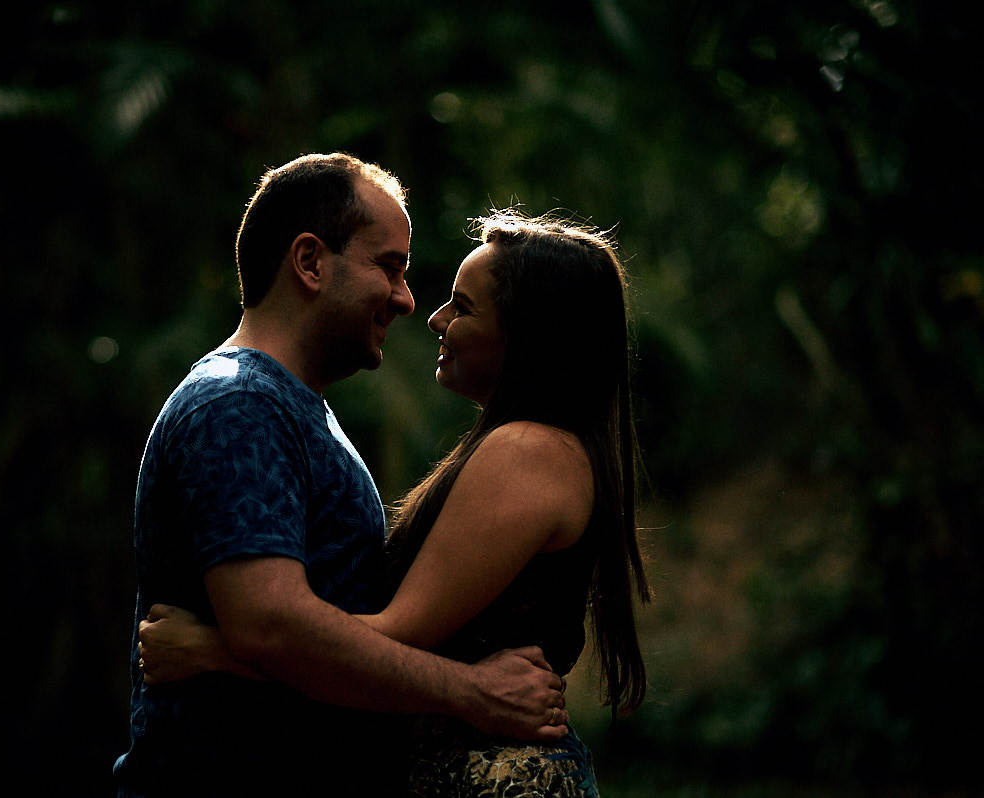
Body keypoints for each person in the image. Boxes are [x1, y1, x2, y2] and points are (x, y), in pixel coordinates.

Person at [139, 209, 652, 796]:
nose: (433, 317)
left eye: (462, 307)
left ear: (526, 333)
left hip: (498, 778)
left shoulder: (528, 452)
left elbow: (394, 636)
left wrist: (213, 648)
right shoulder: (541, 449)